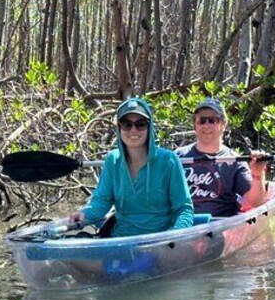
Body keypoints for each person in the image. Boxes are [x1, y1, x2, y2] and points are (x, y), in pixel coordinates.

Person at [69, 97, 194, 237]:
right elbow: (101, 201)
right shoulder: (112, 160)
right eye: (126, 124)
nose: (133, 130)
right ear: (119, 127)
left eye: (141, 124)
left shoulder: (169, 160)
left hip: (159, 241)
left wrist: (174, 237)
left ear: (150, 126)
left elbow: (184, 209)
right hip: (120, 239)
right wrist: (84, 214)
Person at [175, 97, 268, 217]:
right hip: (182, 226)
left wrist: (257, 174)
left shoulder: (235, 161)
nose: (206, 125)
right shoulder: (177, 157)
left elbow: (255, 203)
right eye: (202, 121)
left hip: (218, 227)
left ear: (223, 124)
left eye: (212, 120)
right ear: (195, 126)